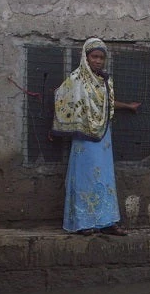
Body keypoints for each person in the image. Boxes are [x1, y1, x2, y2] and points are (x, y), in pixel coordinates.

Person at [51, 38, 140, 236]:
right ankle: (83, 222)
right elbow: (62, 97)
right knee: (85, 176)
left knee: (105, 176)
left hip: (103, 135)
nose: (98, 61)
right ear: (86, 57)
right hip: (84, 136)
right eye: (94, 56)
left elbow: (107, 104)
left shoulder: (105, 80)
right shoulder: (76, 79)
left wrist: (127, 106)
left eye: (101, 57)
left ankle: (107, 221)